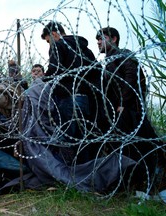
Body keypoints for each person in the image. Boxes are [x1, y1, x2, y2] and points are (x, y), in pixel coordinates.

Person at [95, 27, 165, 185]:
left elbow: (131, 76)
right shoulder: (110, 61)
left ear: (113, 39)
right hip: (122, 109)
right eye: (97, 39)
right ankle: (137, 180)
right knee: (132, 144)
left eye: (101, 38)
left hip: (130, 108)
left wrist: (123, 103)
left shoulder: (123, 54)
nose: (98, 42)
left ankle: (154, 176)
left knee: (144, 142)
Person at [41, 21, 99, 164]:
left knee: (68, 140)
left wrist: (42, 81)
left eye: (48, 41)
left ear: (54, 34)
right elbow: (96, 71)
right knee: (84, 139)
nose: (49, 44)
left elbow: (54, 70)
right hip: (85, 99)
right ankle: (88, 174)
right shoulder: (84, 48)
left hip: (68, 98)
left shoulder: (59, 45)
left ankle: (72, 176)